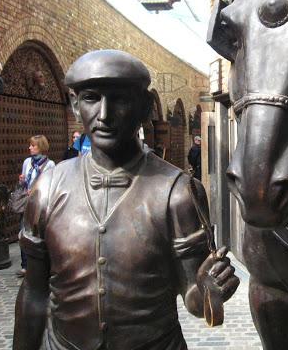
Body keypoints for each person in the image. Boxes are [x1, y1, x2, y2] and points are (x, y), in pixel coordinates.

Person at [13, 50, 239, 350]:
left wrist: (210, 290)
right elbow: (34, 291)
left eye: (120, 99)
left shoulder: (177, 192)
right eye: (92, 97)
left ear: (144, 107)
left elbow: (194, 299)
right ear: (75, 105)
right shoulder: (48, 188)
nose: (104, 114)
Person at [17, 135, 55, 277]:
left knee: (40, 232)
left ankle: (42, 264)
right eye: (30, 145)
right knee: (24, 230)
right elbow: (24, 181)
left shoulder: (50, 164)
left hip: (40, 203)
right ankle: (25, 265)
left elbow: (50, 183)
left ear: (41, 147)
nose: (30, 148)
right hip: (27, 202)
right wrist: (22, 181)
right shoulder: (27, 162)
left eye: (33, 146)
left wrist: (36, 188)